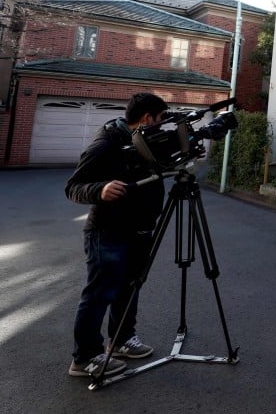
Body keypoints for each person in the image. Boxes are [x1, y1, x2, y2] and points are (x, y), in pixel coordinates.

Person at [65, 92, 168, 378]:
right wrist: (100, 190)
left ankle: (121, 341)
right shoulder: (105, 144)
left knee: (130, 288)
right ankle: (84, 358)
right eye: (160, 120)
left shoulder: (145, 141)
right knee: (99, 293)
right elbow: (73, 187)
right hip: (107, 232)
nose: (162, 126)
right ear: (147, 118)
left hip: (139, 230)